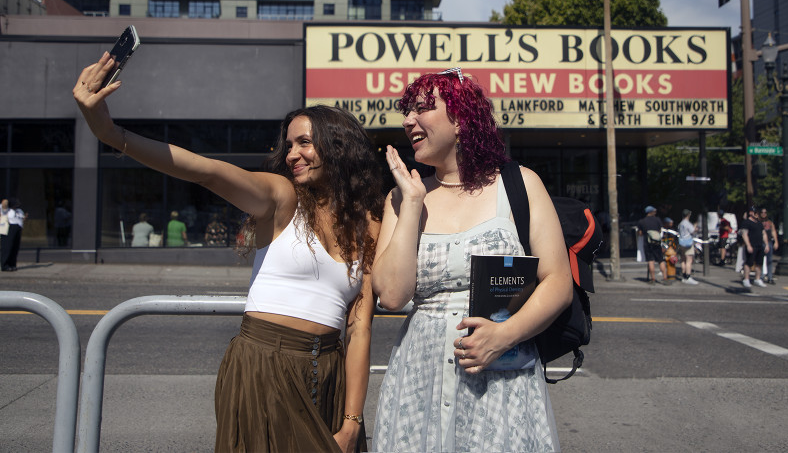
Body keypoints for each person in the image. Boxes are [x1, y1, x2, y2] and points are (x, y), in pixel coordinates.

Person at [73, 51, 383, 453]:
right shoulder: (282, 196)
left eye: (304, 142)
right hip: (263, 366)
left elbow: (361, 328)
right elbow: (205, 169)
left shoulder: (367, 222)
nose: (291, 154)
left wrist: (352, 421)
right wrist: (112, 134)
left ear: (339, 146)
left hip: (329, 372)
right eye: (288, 145)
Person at [371, 68, 571, 451]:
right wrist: (413, 203)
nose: (407, 120)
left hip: (501, 377)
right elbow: (393, 297)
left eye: (422, 109)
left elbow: (557, 281)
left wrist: (503, 336)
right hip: (421, 377)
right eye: (406, 111)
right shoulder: (401, 198)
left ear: (461, 119)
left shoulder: (519, 184)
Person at [740, 206, 769, 289]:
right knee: (749, 262)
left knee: (759, 263)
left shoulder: (759, 223)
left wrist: (766, 244)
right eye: (755, 213)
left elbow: (764, 234)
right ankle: (746, 279)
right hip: (751, 245)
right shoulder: (746, 222)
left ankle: (757, 279)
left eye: (758, 213)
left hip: (760, 245)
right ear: (751, 213)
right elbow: (744, 234)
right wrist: (748, 245)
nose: (757, 215)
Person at [638, 205, 667, 285]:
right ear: (652, 212)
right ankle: (665, 278)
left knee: (650, 261)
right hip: (657, 242)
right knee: (661, 260)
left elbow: (640, 234)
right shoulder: (657, 220)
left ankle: (653, 279)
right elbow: (660, 230)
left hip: (647, 243)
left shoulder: (642, 221)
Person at [1, 198, 26, 272]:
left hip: (18, 228)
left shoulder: (19, 211)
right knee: (7, 247)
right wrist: (8, 202)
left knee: (15, 248)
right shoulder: (6, 210)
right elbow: (4, 203)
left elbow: (22, 218)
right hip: (9, 227)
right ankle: (5, 265)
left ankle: (12, 264)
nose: (16, 206)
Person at [677, 209, 699, 285]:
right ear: (688, 215)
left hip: (681, 242)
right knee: (689, 260)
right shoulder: (687, 223)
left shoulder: (680, 223)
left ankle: (683, 276)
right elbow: (693, 231)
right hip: (688, 243)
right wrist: (695, 226)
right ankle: (688, 277)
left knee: (683, 260)